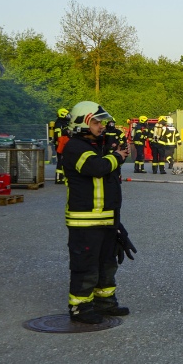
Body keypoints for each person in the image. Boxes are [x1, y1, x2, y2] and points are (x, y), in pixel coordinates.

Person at [61, 101, 130, 323]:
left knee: (106, 263)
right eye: (96, 122)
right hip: (85, 222)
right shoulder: (74, 147)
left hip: (106, 218)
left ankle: (104, 303)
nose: (101, 126)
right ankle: (80, 308)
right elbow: (97, 168)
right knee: (86, 266)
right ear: (82, 122)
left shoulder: (95, 146)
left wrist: (113, 150)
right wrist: (117, 156)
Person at [51, 107, 70, 184]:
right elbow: (58, 135)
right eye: (66, 114)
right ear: (62, 114)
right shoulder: (59, 123)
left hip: (63, 144)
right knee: (60, 162)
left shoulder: (64, 123)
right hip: (60, 145)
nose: (68, 116)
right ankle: (59, 179)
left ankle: (62, 177)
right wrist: (66, 132)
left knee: (64, 161)